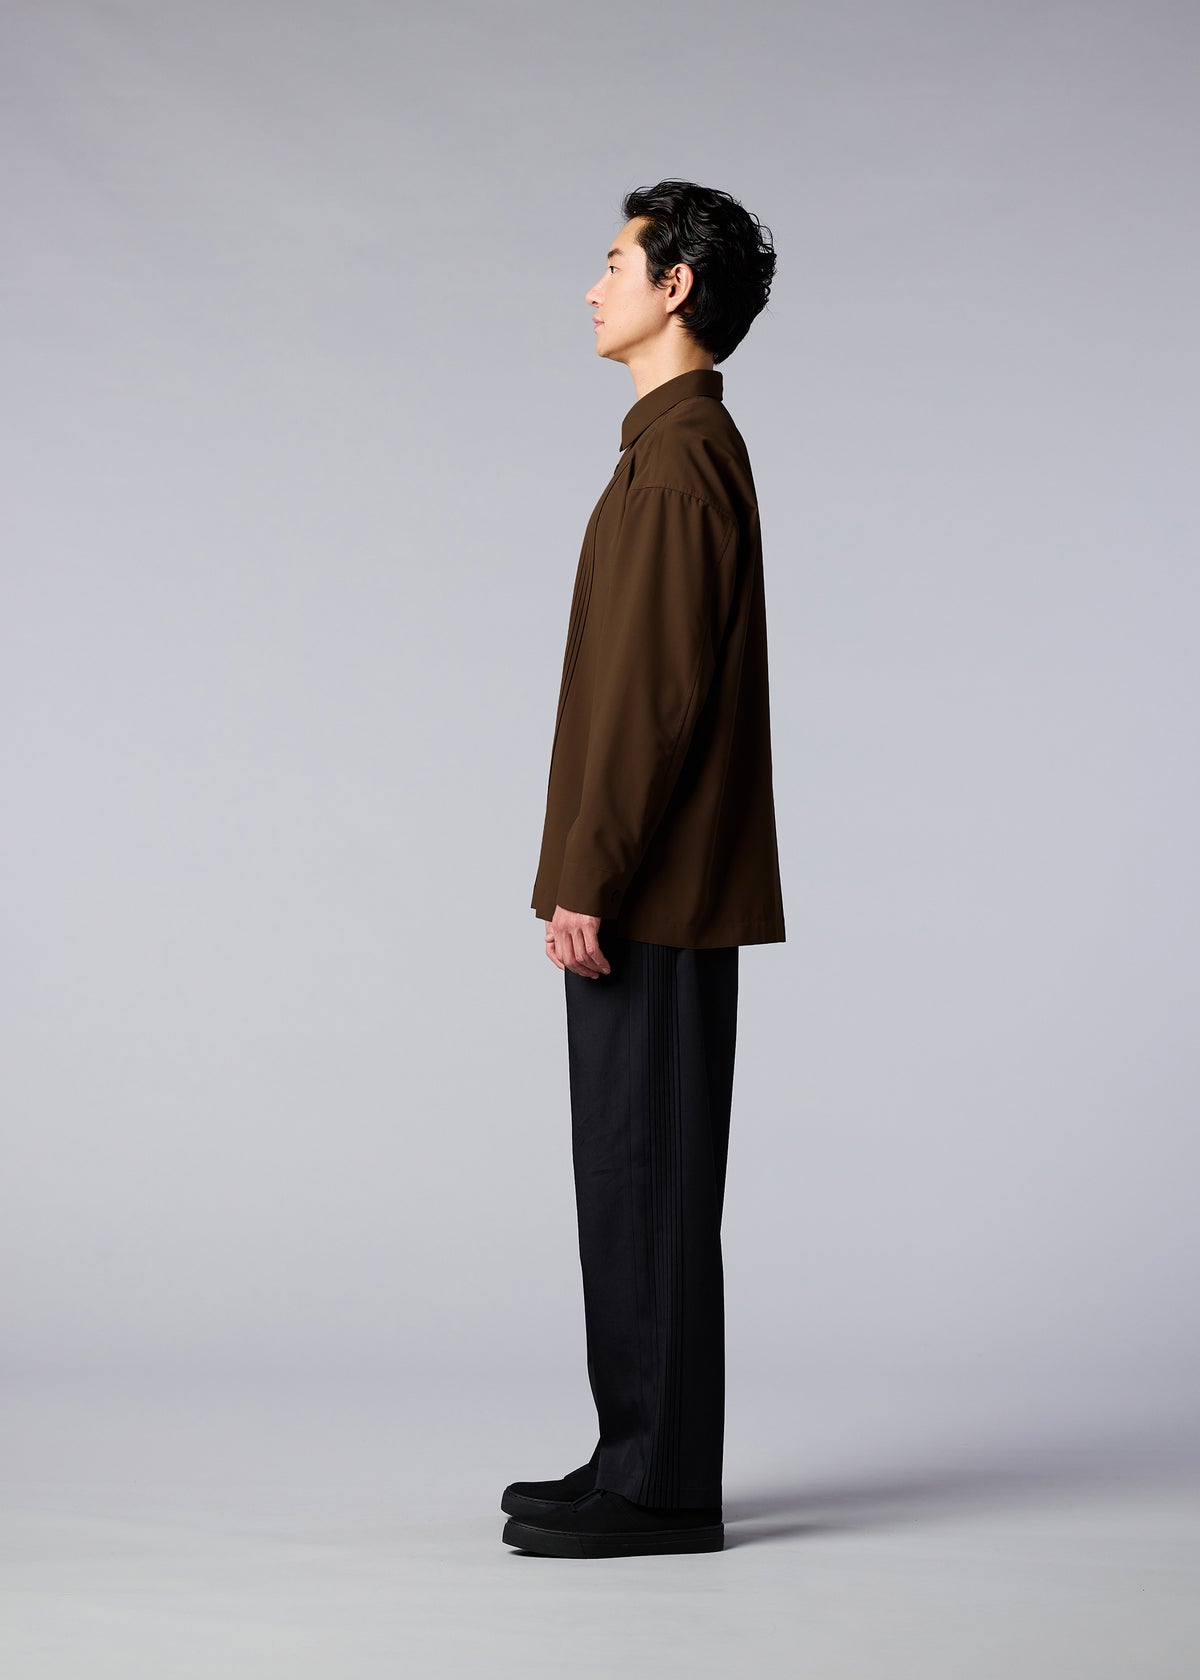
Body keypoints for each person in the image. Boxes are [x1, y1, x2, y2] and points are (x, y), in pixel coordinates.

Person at [502, 179, 786, 1559]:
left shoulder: (677, 461)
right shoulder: (665, 450)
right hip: (644, 887)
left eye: (615, 262)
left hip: (652, 897)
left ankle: (664, 1489)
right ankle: (635, 1453)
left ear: (676, 287)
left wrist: (590, 875)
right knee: (627, 1175)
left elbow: (648, 700)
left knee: (651, 1177)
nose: (594, 285)